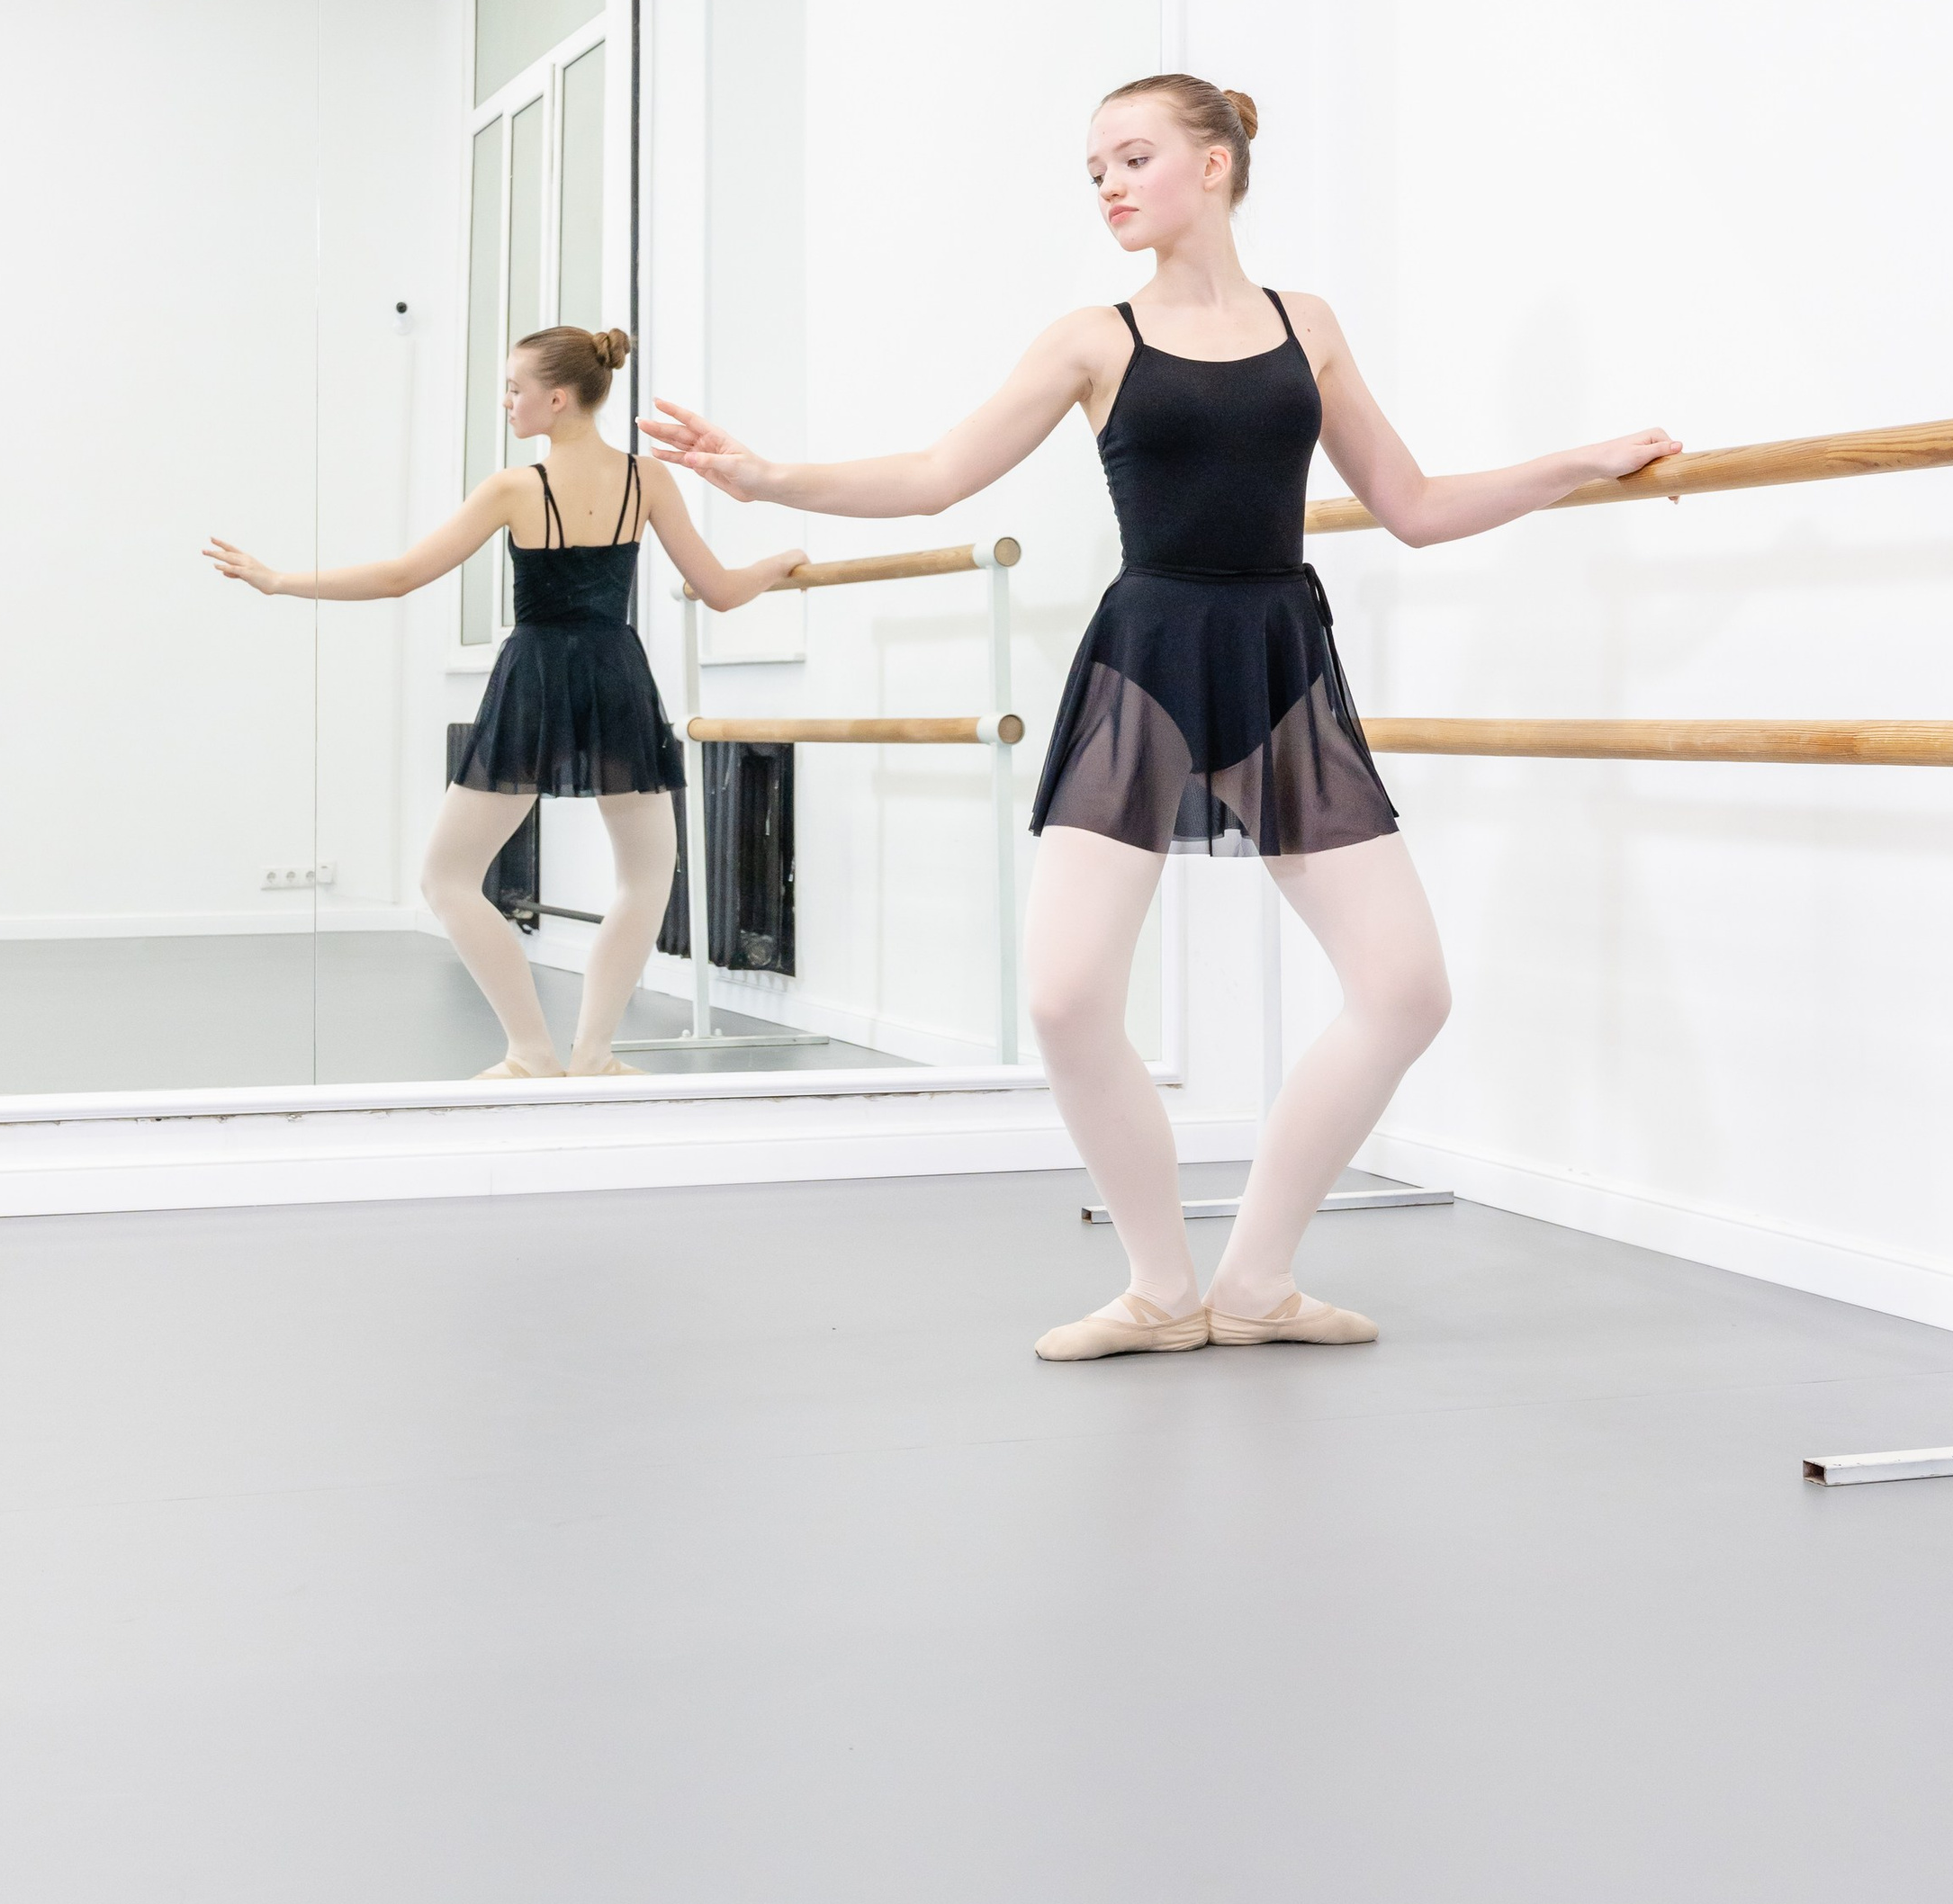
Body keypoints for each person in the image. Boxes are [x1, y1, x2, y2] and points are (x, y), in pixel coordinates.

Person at [644, 75, 1679, 1354]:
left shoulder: (1311, 324)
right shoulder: (1095, 338)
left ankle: (1255, 1278)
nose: (1110, 186)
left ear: (1218, 165)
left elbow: (1410, 504)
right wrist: (764, 477)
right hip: (1147, 663)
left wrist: (1576, 463)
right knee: (1070, 997)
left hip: (1278, 661)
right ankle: (1159, 1286)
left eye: (1133, 158)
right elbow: (933, 477)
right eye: (1095, 169)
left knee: (1405, 987)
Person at [207, 324, 806, 1079]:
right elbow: (720, 589)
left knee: (446, 878)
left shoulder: (516, 488)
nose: (508, 402)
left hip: (536, 677)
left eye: (515, 389)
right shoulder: (649, 480)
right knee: (649, 875)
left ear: (557, 399)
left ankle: (531, 1051)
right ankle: (593, 1054)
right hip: (616, 674)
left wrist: (282, 580)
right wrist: (775, 563)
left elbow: (401, 575)